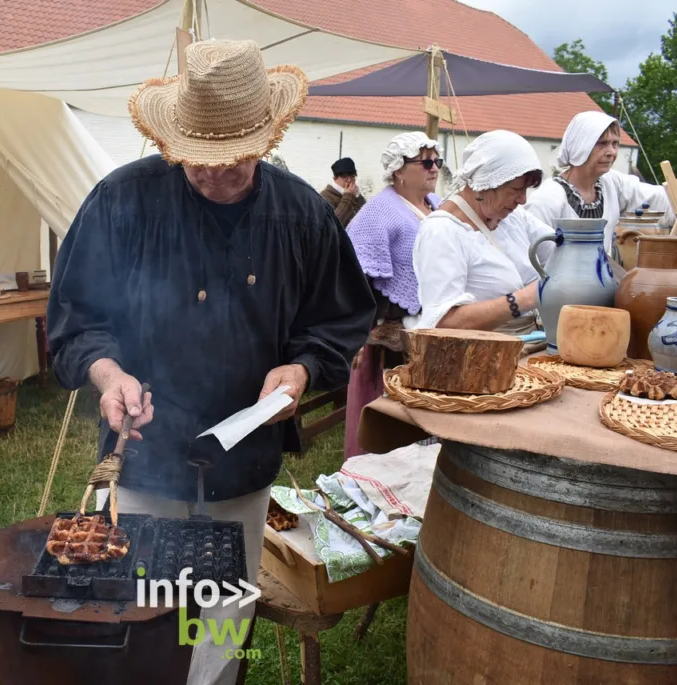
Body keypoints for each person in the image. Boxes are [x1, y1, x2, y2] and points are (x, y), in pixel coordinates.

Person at [45, 39, 375, 685]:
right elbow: (77, 319)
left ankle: (218, 679)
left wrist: (303, 367)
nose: (213, 176)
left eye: (233, 162)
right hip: (145, 448)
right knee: (147, 609)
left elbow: (340, 318)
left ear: (267, 139)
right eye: (198, 162)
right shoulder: (122, 201)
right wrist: (109, 374)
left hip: (244, 459)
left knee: (221, 618)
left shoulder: (301, 214)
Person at [342, 131, 442, 458]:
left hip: (431, 326)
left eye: (437, 162)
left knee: (427, 416)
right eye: (426, 162)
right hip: (390, 340)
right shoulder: (379, 212)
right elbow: (354, 274)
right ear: (399, 169)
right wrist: (363, 332)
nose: (434, 168)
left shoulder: (436, 205)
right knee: (391, 424)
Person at [411, 130, 556, 334]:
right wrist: (526, 298)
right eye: (516, 190)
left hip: (528, 346)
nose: (523, 199)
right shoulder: (441, 231)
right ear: (486, 184)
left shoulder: (513, 217)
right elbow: (443, 323)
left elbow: (559, 249)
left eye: (526, 190)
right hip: (477, 358)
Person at [525, 110, 675, 257]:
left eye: (615, 144)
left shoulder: (611, 182)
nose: (611, 152)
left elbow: (658, 197)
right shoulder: (547, 200)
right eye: (602, 144)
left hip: (604, 278)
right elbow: (533, 258)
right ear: (580, 146)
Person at [320, 157, 366, 227]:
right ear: (335, 178)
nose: (349, 180)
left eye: (352, 176)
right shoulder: (325, 197)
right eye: (345, 176)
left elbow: (366, 215)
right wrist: (348, 197)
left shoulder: (354, 194)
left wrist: (358, 196)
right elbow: (333, 226)